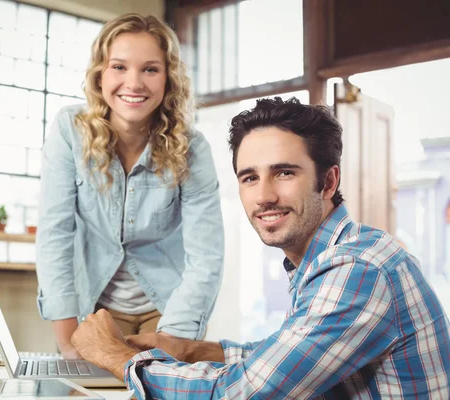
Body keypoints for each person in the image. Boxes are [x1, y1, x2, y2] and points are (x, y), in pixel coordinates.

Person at [70, 97, 450, 398]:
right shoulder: (332, 256)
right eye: (250, 178)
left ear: (328, 181)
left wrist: (113, 355)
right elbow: (283, 356)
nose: (264, 196)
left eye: (284, 172)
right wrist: (190, 349)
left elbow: (244, 393)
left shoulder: (358, 269)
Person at [35, 13, 224, 360]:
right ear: (100, 75)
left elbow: (206, 257)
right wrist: (67, 342)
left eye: (150, 69)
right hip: (95, 311)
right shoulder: (69, 131)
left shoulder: (193, 149)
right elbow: (54, 234)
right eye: (119, 67)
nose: (133, 83)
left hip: (169, 310)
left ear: (168, 79)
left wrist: (175, 341)